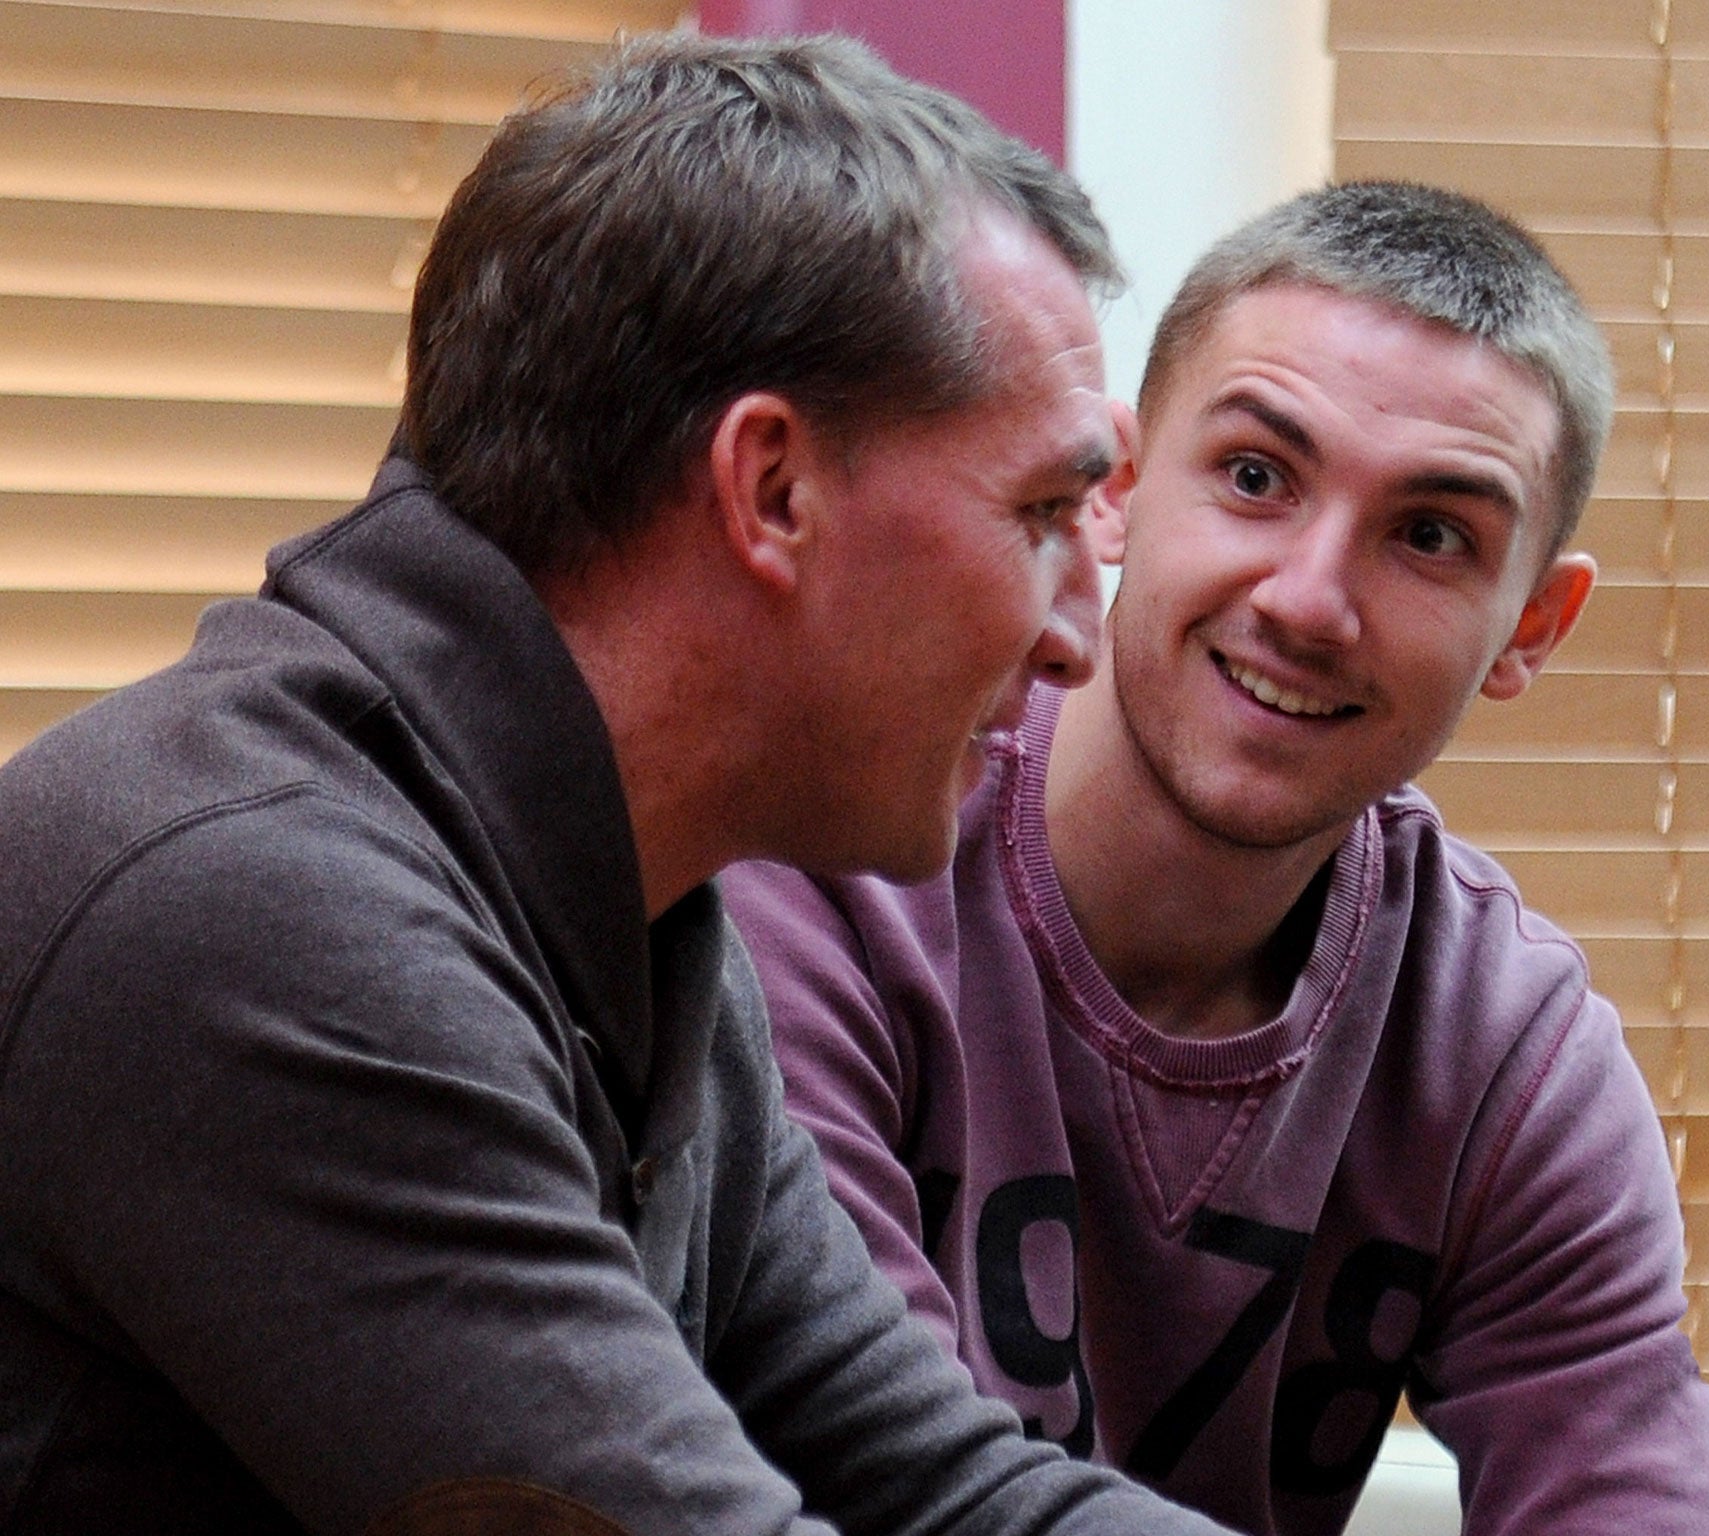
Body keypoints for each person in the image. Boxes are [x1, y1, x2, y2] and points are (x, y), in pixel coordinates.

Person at [0, 31, 1245, 1536]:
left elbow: (944, 1486)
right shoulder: (257, 915)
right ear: (772, 489)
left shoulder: (633, 914)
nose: (1074, 638)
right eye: (1043, 511)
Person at [724, 182, 1709, 1536]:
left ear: (1533, 628)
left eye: (1432, 536)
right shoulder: (828, 871)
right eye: (1257, 477)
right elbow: (882, 1485)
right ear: (1115, 490)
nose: (1311, 601)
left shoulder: (1504, 1052)